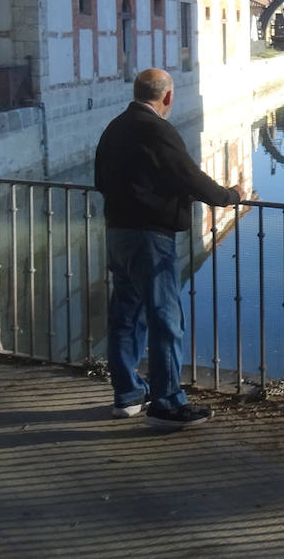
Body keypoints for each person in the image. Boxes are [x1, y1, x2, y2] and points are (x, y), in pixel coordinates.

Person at [95, 68, 247, 427]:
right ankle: (167, 402)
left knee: (126, 317)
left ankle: (128, 394)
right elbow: (188, 175)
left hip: (118, 232)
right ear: (167, 97)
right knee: (165, 319)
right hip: (151, 238)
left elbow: (103, 180)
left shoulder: (114, 127)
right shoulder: (157, 130)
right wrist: (229, 197)